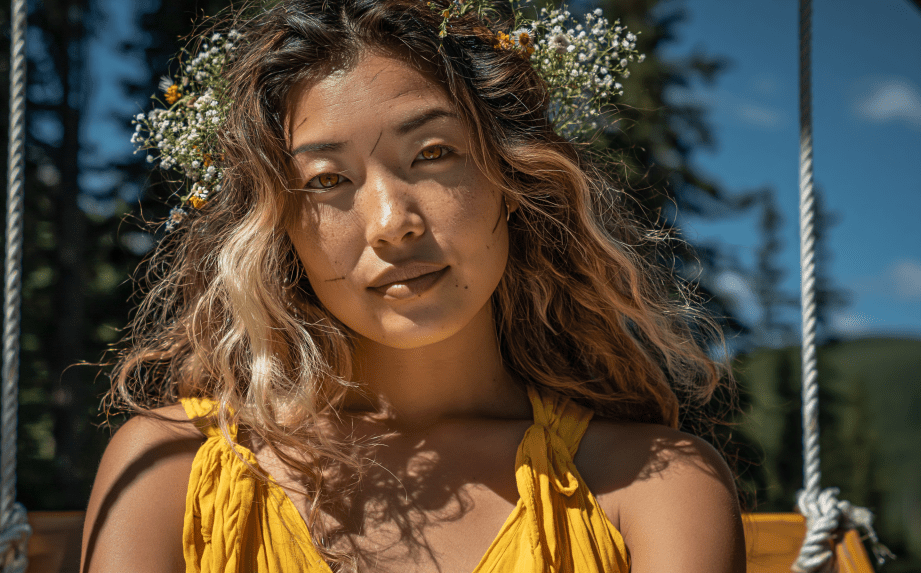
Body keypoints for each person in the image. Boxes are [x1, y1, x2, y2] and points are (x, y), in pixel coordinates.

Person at [81, 0, 746, 571]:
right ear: (279, 226)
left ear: (510, 180)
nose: (392, 223)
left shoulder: (648, 488)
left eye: (432, 155)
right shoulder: (173, 472)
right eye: (327, 181)